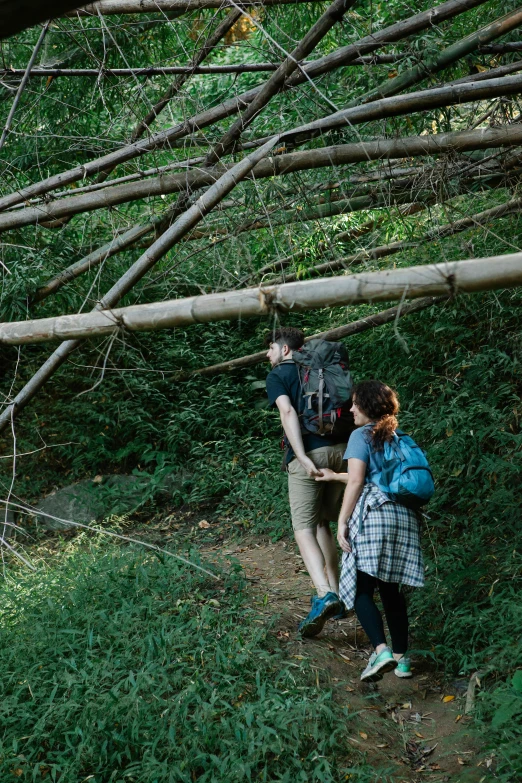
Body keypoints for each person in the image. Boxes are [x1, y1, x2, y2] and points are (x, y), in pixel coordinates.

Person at [316, 380, 425, 682]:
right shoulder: (398, 436)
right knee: (391, 588)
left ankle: (381, 651)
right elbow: (367, 476)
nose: (350, 409)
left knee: (361, 587)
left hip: (374, 515)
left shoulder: (360, 435)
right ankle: (403, 661)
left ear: (367, 405)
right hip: (404, 517)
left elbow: (357, 482)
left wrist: (341, 522)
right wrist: (334, 475)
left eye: (354, 403)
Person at [265, 326, 346, 637]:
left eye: (270, 349)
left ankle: (325, 593)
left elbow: (287, 412)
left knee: (303, 528)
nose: (268, 355)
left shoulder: (279, 375)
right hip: (342, 452)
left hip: (310, 455)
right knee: (324, 522)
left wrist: (301, 456)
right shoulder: (324, 369)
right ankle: (339, 595)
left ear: (285, 349)